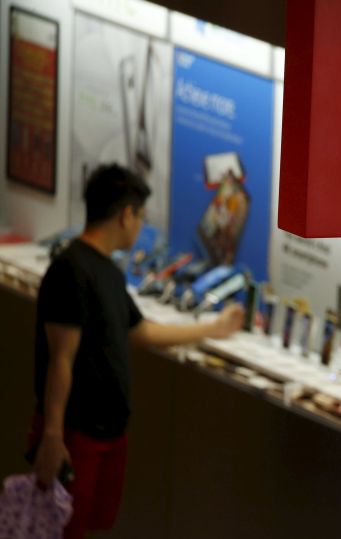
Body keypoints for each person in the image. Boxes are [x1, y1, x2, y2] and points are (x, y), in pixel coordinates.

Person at [29, 164, 245, 539]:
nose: (142, 226)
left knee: (89, 526)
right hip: (76, 434)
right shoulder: (71, 271)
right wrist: (52, 434)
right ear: (126, 214)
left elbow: (141, 331)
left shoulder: (108, 273)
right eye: (141, 216)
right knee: (62, 530)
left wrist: (213, 328)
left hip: (109, 432)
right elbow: (60, 359)